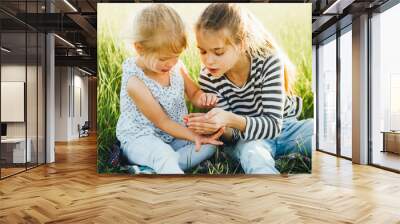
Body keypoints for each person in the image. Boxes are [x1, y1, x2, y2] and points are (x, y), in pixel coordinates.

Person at [185, 3, 313, 174]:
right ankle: (272, 196)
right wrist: (216, 126)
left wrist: (229, 118)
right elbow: (233, 136)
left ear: (241, 44)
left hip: (287, 129)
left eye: (218, 52)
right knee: (254, 156)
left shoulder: (268, 62)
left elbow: (273, 125)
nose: (208, 61)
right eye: (202, 52)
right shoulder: (209, 76)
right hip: (249, 139)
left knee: (326, 135)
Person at [116, 4, 223, 174]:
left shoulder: (175, 66)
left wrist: (202, 97)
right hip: (141, 138)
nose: (171, 63)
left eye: (176, 56)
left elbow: (194, 93)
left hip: (173, 134)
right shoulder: (135, 82)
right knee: (164, 153)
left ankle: (153, 167)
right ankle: (167, 169)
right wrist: (193, 136)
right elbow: (162, 121)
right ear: (139, 48)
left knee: (208, 145)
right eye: (164, 58)